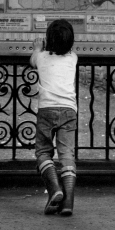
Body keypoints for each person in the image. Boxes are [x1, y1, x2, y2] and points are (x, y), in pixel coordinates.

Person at [30, 19, 78, 216]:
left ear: (48, 39)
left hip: (47, 109)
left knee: (43, 151)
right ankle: (68, 202)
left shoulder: (41, 58)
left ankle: (54, 189)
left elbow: (33, 61)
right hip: (68, 110)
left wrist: (37, 48)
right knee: (66, 153)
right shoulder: (73, 58)